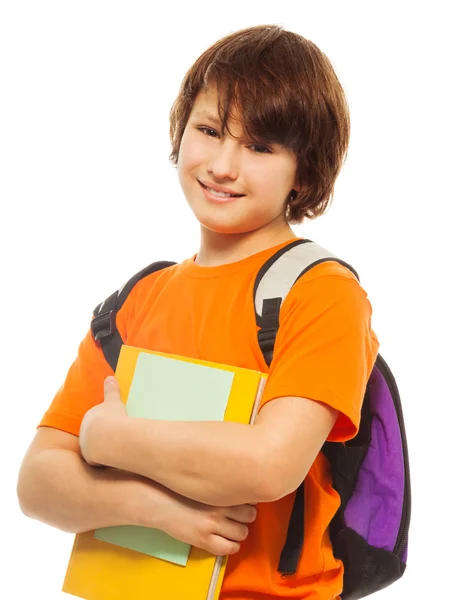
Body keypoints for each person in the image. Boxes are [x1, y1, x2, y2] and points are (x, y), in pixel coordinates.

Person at [16, 24, 379, 600]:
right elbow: (37, 482)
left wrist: (108, 439)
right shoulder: (139, 298)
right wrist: (153, 509)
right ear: (179, 133)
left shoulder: (322, 293)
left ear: (304, 173)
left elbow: (267, 466)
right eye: (209, 131)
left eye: (260, 147)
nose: (223, 165)